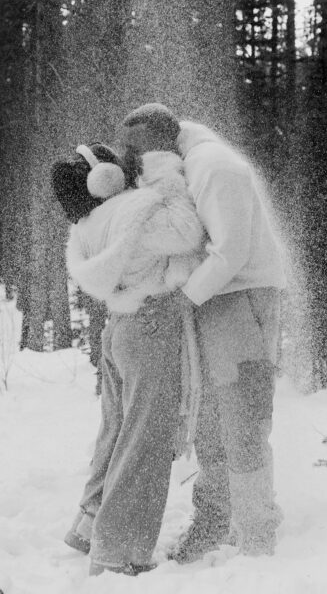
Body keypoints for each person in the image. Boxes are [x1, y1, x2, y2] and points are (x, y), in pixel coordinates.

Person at [120, 103, 286, 562]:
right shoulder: (188, 165)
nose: (134, 163)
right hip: (215, 300)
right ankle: (214, 521)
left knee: (242, 417)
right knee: (211, 420)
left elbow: (231, 250)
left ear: (159, 145)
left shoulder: (215, 166)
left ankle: (257, 535)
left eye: (137, 153)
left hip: (243, 299)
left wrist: (182, 299)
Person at [51, 141, 204, 577]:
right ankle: (118, 552)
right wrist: (166, 177)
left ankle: (90, 523)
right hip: (150, 325)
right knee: (146, 438)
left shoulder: (85, 225)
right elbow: (187, 232)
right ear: (104, 178)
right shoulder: (134, 210)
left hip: (119, 328)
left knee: (117, 430)